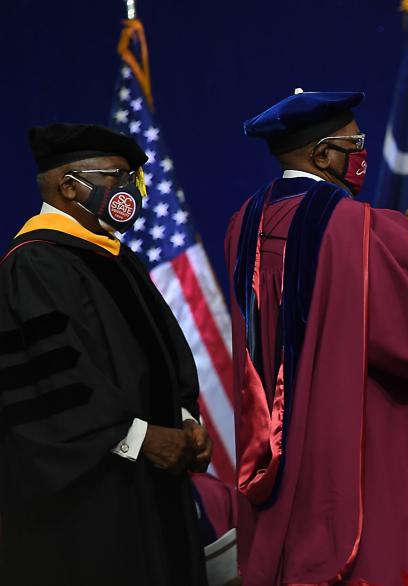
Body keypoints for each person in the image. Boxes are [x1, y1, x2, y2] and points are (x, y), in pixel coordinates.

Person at [225, 90, 408, 584]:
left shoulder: (245, 221)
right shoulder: (354, 226)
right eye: (355, 143)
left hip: (278, 439)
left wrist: (396, 236)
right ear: (322, 155)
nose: (361, 153)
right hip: (364, 428)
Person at [0, 123, 210, 585]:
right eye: (115, 177)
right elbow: (53, 387)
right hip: (94, 499)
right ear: (68, 186)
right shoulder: (35, 263)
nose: (129, 190)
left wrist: (184, 419)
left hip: (155, 482)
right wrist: (137, 438)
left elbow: (161, 351)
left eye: (131, 178)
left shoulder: (114, 256)